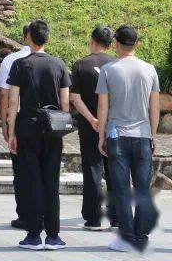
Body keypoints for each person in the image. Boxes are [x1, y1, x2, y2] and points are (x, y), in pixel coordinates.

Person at [6, 19, 70, 251]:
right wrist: (62, 133)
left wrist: (11, 131)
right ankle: (53, 235)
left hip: (27, 127)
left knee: (32, 181)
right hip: (53, 129)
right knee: (51, 182)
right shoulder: (59, 64)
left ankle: (33, 235)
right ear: (47, 38)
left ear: (28, 38)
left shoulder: (20, 65)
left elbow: (13, 102)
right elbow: (65, 101)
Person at [96, 25, 160, 253]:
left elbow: (103, 106)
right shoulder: (149, 69)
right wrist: (153, 134)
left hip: (117, 135)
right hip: (142, 135)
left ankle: (126, 236)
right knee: (143, 187)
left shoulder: (107, 70)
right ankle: (141, 235)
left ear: (116, 44)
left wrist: (100, 134)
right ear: (137, 44)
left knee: (121, 189)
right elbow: (154, 106)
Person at [69, 26, 116, 230]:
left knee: (92, 170)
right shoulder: (117, 65)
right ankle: (117, 216)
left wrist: (92, 120)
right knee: (115, 170)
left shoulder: (80, 65)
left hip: (90, 127)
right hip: (114, 125)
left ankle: (93, 217)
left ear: (92, 41)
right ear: (110, 44)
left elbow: (75, 98)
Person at [0, 24, 31, 231]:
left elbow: (3, 93)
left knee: (20, 170)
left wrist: (5, 121)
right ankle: (41, 212)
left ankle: (24, 214)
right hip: (42, 123)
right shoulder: (53, 62)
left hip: (18, 119)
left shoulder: (11, 60)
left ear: (25, 36)